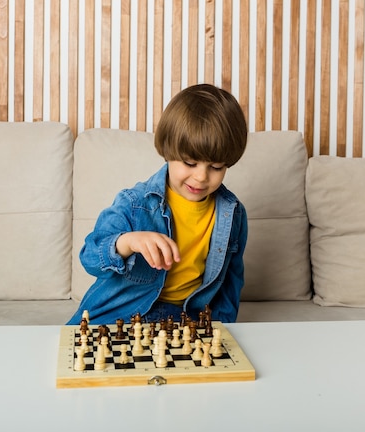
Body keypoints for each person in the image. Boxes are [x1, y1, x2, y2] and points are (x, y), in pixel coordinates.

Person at [66, 84, 248, 325]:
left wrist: (224, 328)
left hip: (186, 321)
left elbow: (231, 282)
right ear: (168, 151)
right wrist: (127, 242)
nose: (202, 177)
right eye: (190, 163)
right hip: (119, 316)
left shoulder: (232, 214)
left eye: (216, 167)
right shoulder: (134, 203)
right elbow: (89, 256)